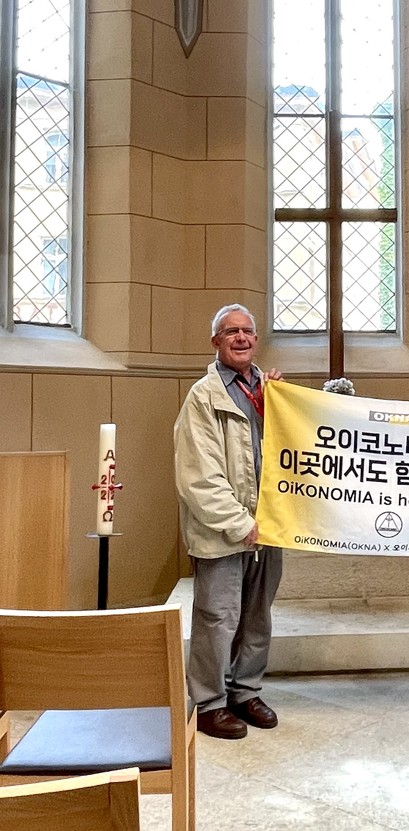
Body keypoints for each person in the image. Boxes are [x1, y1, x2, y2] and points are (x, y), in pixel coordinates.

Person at [174, 303, 284, 740]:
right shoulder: (203, 396)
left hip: (269, 526)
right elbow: (198, 475)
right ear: (215, 341)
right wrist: (239, 523)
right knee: (217, 618)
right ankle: (209, 703)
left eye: (247, 331)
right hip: (222, 530)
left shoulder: (271, 392)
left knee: (258, 615)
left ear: (256, 339)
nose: (241, 338)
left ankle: (245, 691)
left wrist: (283, 405)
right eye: (230, 331)